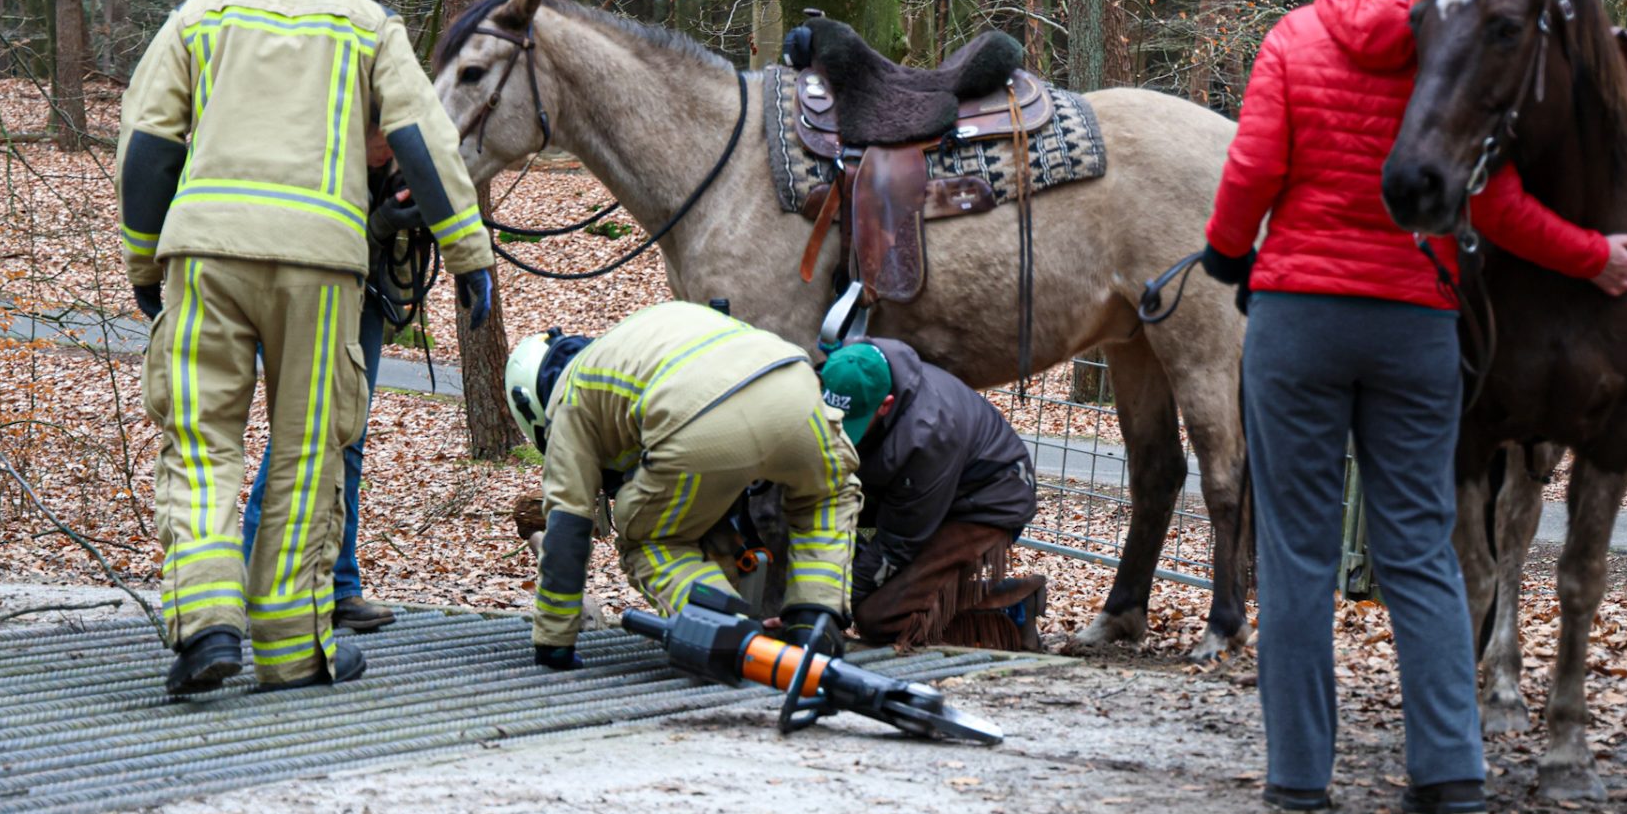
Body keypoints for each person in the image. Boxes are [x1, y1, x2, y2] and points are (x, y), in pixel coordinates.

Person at [1201, 0, 1627, 814]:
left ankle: (1300, 779)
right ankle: (1450, 774)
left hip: (1298, 321)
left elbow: (1251, 170)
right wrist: (1594, 256)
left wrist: (1229, 253)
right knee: (1420, 550)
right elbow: (1493, 201)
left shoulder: (1296, 38)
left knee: (1297, 554)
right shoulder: (1453, 41)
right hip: (1413, 320)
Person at [118, 0, 494, 695]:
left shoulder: (204, 14)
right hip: (322, 268)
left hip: (207, 257)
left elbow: (149, 142)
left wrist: (143, 261)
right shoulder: (367, 25)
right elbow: (423, 139)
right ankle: (291, 649)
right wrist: (468, 254)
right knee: (306, 453)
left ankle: (207, 623)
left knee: (198, 441)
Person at [503, 301, 863, 668]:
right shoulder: (642, 337)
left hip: (701, 415)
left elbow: (568, 524)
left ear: (533, 403)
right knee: (827, 496)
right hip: (794, 382)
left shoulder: (569, 394)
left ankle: (732, 638)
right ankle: (814, 622)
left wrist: (553, 640)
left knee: (651, 540)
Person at [237, 127, 428, 634]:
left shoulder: (397, 159)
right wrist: (380, 224)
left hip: (362, 295)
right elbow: (307, 240)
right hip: (298, 291)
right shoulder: (309, 147)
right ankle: (253, 584)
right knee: (298, 439)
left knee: (348, 438)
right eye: (379, 133)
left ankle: (340, 588)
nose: (390, 143)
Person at [818, 339, 1045, 651]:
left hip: (986, 503)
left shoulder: (926, 433)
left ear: (885, 405)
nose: (841, 435)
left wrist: (830, 604)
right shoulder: (851, 367)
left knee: (877, 616)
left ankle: (1011, 606)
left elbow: (898, 543)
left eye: (852, 426)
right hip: (920, 490)